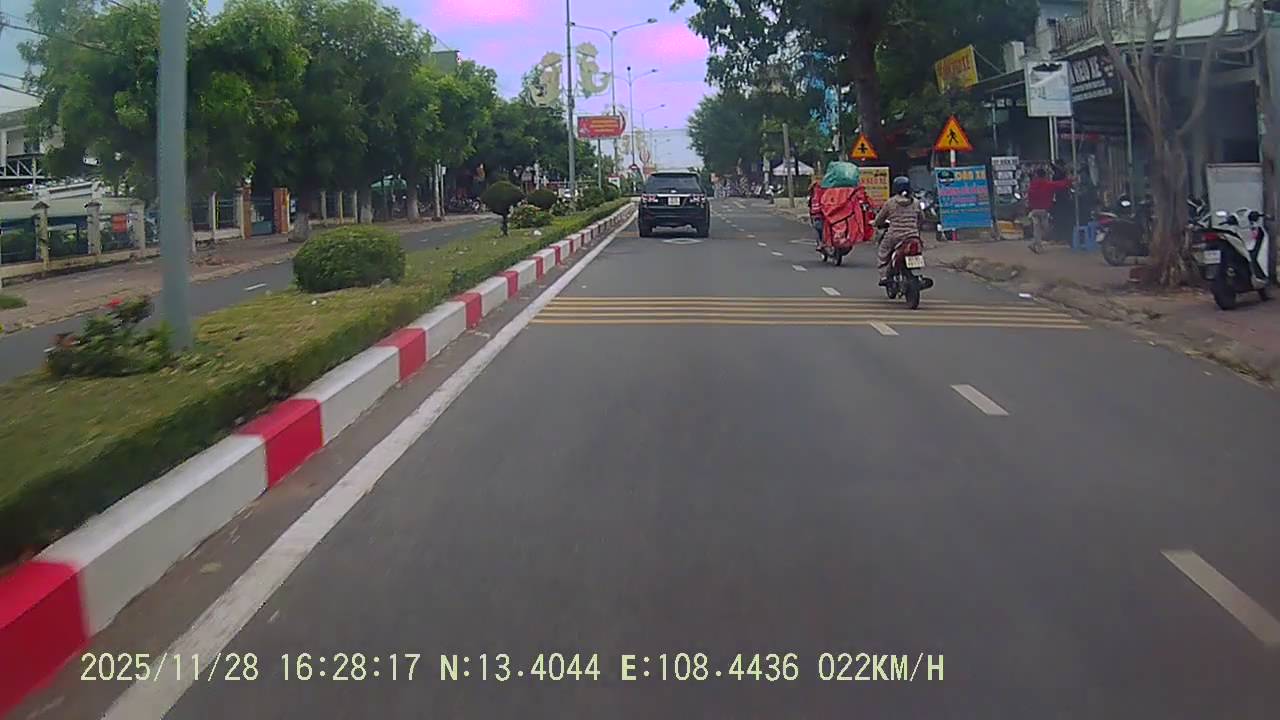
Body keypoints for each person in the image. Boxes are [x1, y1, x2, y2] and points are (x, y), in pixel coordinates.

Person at [873, 176, 924, 285]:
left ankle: (884, 276)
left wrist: (875, 223)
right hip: (913, 236)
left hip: (894, 236)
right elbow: (921, 218)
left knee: (883, 252)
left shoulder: (890, 203)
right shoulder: (916, 202)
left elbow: (880, 218)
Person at [1027, 165, 1073, 253]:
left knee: (1037, 228)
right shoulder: (1047, 184)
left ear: (1036, 175)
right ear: (1045, 175)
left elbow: (1029, 196)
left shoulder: (1033, 185)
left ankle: (1035, 244)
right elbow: (1061, 184)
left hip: (1034, 210)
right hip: (1044, 210)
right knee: (1045, 228)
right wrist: (1070, 180)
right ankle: (1036, 245)